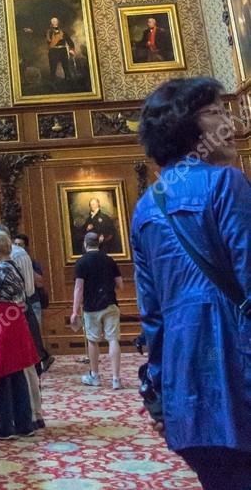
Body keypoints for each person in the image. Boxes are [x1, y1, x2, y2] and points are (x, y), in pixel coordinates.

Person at [131, 76, 251, 490]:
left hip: (187, 393)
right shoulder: (225, 182)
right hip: (239, 378)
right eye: (216, 112)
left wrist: (162, 394)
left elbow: (153, 316)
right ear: (187, 126)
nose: (229, 122)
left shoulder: (146, 206)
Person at [0, 228, 39, 439]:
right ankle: (24, 424)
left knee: (2, 374)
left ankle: (5, 427)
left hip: (1, 325)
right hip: (15, 322)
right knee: (17, 373)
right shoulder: (14, 267)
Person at [0, 224, 46, 428]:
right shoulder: (12, 259)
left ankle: (32, 414)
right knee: (23, 367)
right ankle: (29, 416)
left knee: (25, 366)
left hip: (17, 315)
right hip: (16, 314)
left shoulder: (15, 257)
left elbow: (26, 289)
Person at [71, 232, 123, 389]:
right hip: (110, 304)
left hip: (91, 307)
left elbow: (79, 288)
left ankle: (95, 376)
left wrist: (74, 311)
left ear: (85, 244)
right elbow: (120, 284)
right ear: (98, 244)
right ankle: (116, 379)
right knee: (113, 339)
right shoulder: (109, 260)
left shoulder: (81, 262)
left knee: (93, 340)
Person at [14, 233, 55, 374]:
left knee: (33, 335)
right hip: (20, 304)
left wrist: (27, 269)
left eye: (20, 245)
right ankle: (42, 358)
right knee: (28, 335)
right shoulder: (12, 261)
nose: (17, 247)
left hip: (33, 302)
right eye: (16, 245)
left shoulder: (32, 262)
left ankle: (40, 360)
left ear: (26, 247)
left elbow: (39, 281)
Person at [46, 16, 75, 83]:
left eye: (56, 21)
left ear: (58, 22)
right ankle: (52, 82)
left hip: (63, 50)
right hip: (53, 51)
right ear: (51, 23)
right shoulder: (48, 32)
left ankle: (69, 81)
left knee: (66, 67)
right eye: (53, 21)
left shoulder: (63, 32)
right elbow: (43, 37)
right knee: (53, 68)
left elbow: (69, 40)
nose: (54, 23)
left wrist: (71, 49)